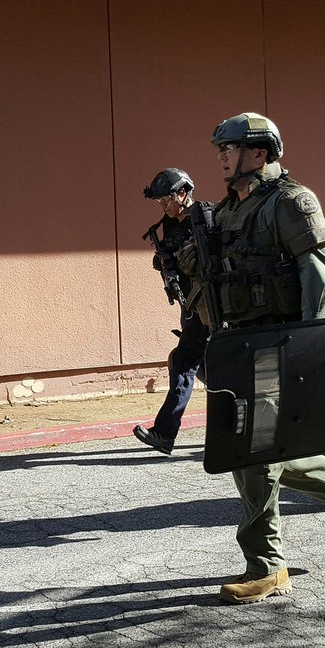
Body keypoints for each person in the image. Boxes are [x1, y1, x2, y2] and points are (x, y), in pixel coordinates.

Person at [183, 112, 325, 605]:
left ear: (260, 153)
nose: (221, 156)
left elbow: (322, 272)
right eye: (220, 149)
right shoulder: (226, 210)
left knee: (252, 454)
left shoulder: (290, 201)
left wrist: (306, 345)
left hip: (277, 346)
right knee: (252, 451)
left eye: (230, 148)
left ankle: (267, 565)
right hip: (238, 347)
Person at [132, 168, 208, 455]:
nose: (164, 206)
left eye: (167, 200)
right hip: (191, 305)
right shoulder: (170, 223)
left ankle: (164, 433)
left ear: (183, 193)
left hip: (209, 306)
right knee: (207, 368)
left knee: (184, 362)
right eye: (160, 202)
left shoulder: (203, 221)